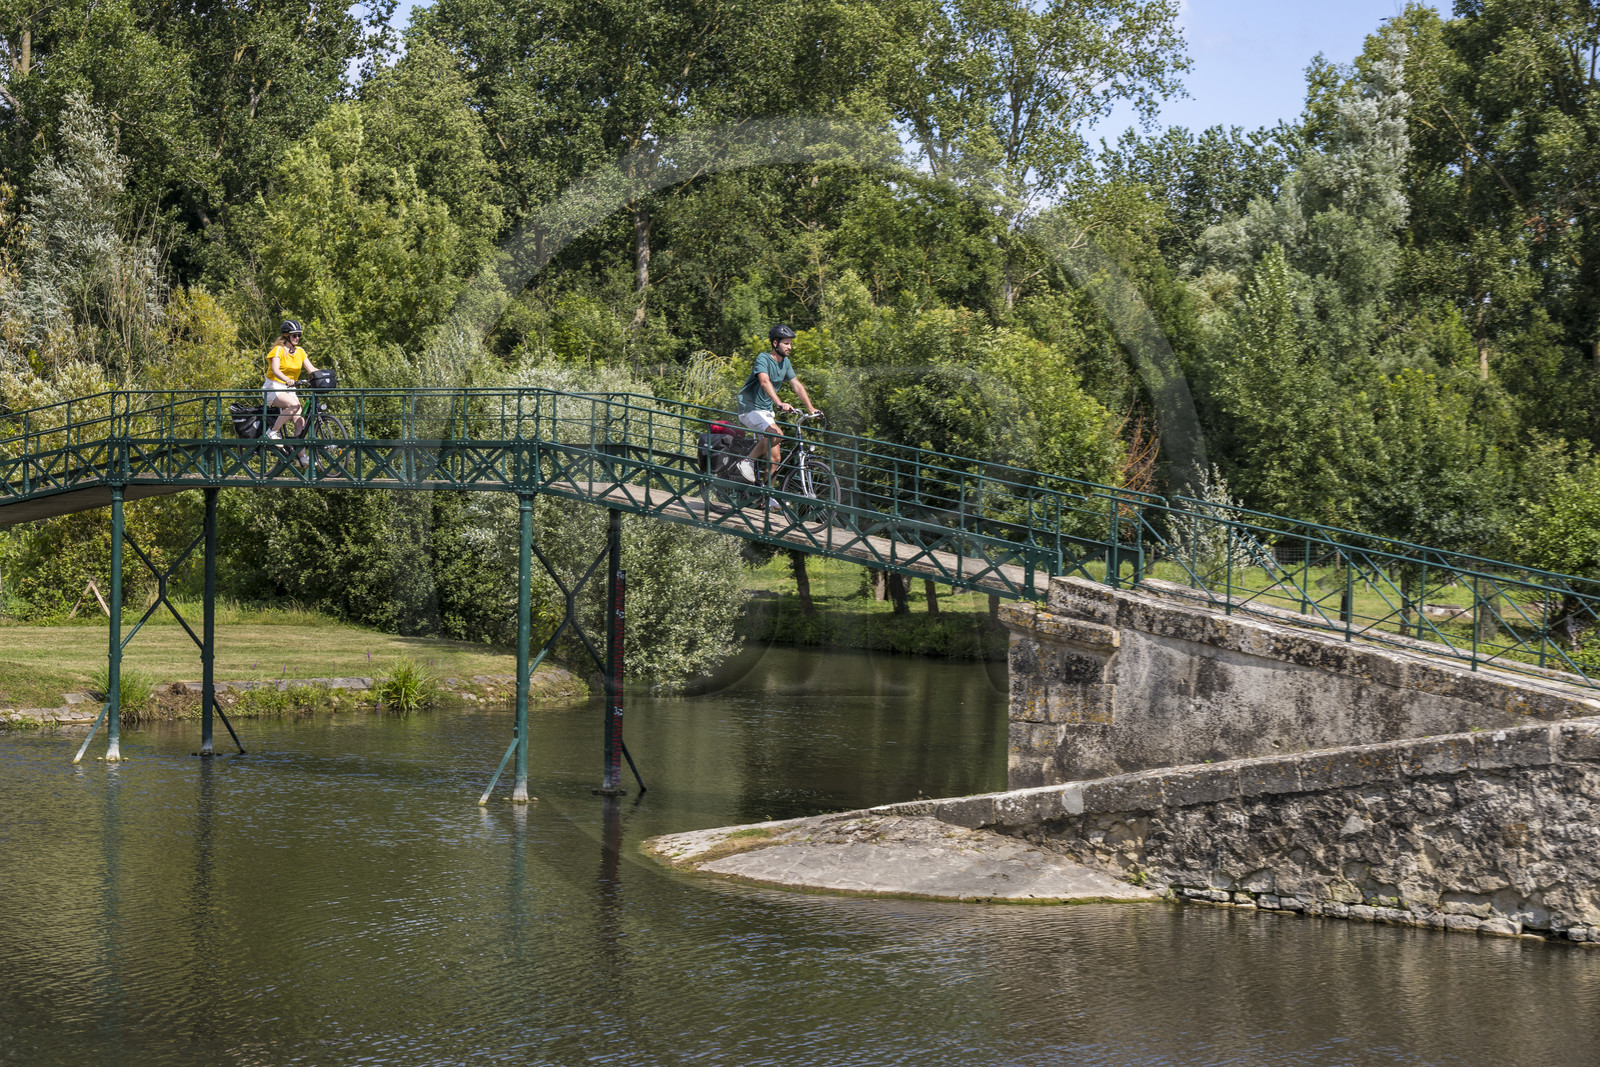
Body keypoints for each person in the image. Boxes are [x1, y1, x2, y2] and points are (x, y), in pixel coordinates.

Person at [736, 324, 820, 509]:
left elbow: (796, 385)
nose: (790, 347)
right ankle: (747, 461)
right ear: (775, 343)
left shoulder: (785, 363)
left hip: (765, 412)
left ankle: (767, 497)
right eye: (786, 343)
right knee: (776, 434)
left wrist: (811, 407)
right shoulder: (763, 358)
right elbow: (764, 382)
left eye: (791, 344)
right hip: (749, 408)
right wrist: (780, 403)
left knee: (775, 457)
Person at [262, 320, 319, 440]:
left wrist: (325, 375)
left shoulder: (300, 352)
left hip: (289, 389)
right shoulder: (278, 350)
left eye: (299, 335)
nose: (297, 338)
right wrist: (287, 379)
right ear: (287, 336)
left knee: (300, 423)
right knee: (294, 405)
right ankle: (272, 432)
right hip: (273, 387)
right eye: (294, 335)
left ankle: (301, 457)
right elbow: (275, 370)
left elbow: (311, 369)